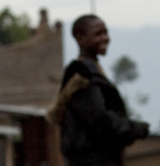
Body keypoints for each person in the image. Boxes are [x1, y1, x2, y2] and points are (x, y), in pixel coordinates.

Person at [48, 14, 149, 166]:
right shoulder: (83, 78)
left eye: (106, 33)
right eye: (98, 34)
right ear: (80, 38)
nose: (105, 38)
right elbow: (101, 120)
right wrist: (135, 129)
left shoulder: (89, 71)